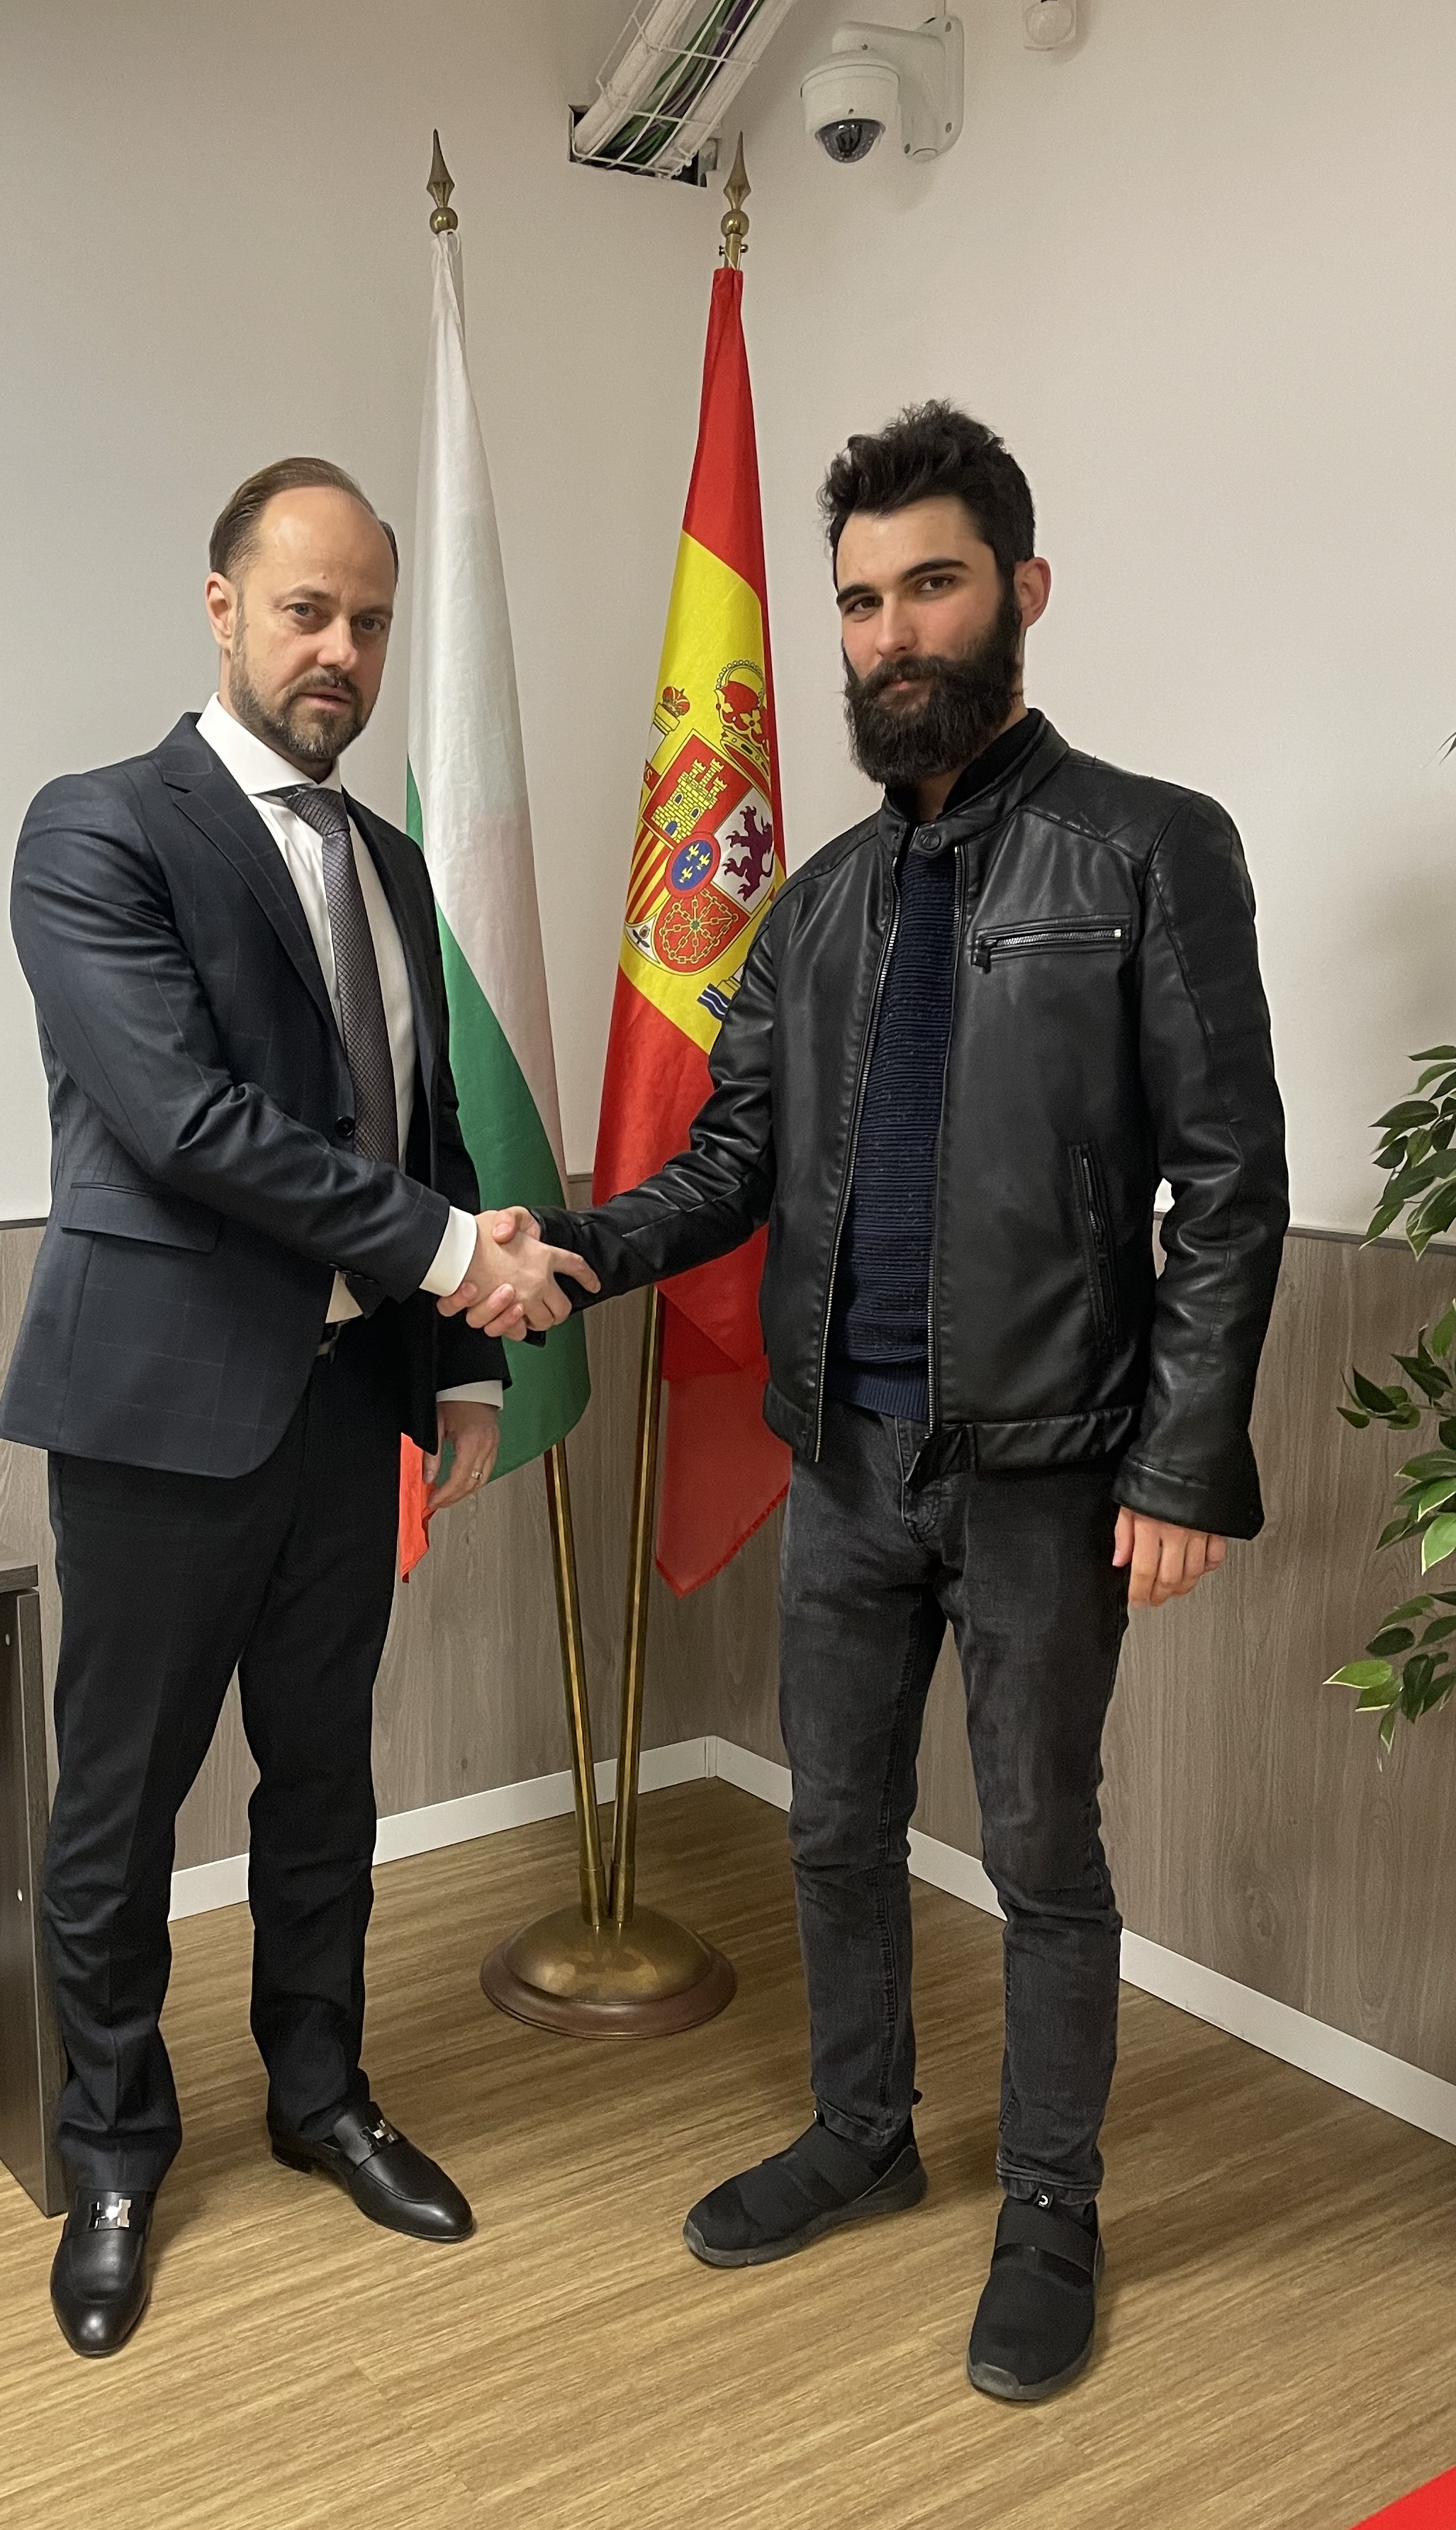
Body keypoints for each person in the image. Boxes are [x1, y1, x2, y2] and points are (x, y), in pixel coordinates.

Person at [447, 403, 1288, 2402]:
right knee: (833, 1826)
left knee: (1041, 1854)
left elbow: (1230, 1181)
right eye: (856, 603)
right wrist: (577, 1247)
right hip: (843, 1460)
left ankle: (1053, 2209)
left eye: (931, 586)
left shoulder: (1148, 848)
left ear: (1022, 592)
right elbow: (733, 1160)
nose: (890, 635)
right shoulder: (815, 901)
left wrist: (1181, 1461)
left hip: (1044, 1469)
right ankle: (864, 2127)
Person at [0, 456, 594, 2357]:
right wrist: (462, 1259)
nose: (340, 649)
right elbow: (190, 1125)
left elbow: (422, 1126)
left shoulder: (392, 865)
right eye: (306, 609)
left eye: (370, 622)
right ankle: (112, 2154)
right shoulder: (98, 830)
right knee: (119, 1810)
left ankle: (320, 2093)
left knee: (324, 1780)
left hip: (351, 1409)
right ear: (222, 607)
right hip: (162, 1417)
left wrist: (463, 1358)